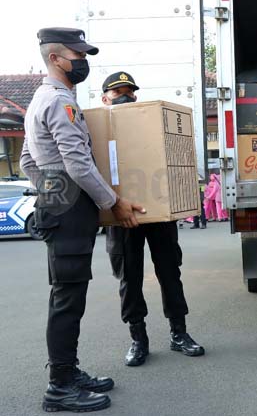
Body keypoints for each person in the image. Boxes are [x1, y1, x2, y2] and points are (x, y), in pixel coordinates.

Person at [20, 28, 142, 413]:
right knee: (68, 298)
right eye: (78, 54)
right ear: (56, 58)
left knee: (70, 294)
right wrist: (114, 202)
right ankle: (59, 385)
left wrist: (49, 187)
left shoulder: (44, 99)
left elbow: (27, 160)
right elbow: (77, 162)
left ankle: (69, 373)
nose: (82, 61)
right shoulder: (60, 102)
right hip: (70, 210)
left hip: (61, 205)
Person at [102, 71, 205, 367]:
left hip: (157, 212)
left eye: (130, 91)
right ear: (105, 97)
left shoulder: (151, 124)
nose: (126, 96)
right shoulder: (97, 128)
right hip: (121, 214)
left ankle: (179, 333)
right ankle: (138, 339)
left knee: (170, 272)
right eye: (118, 91)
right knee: (129, 279)